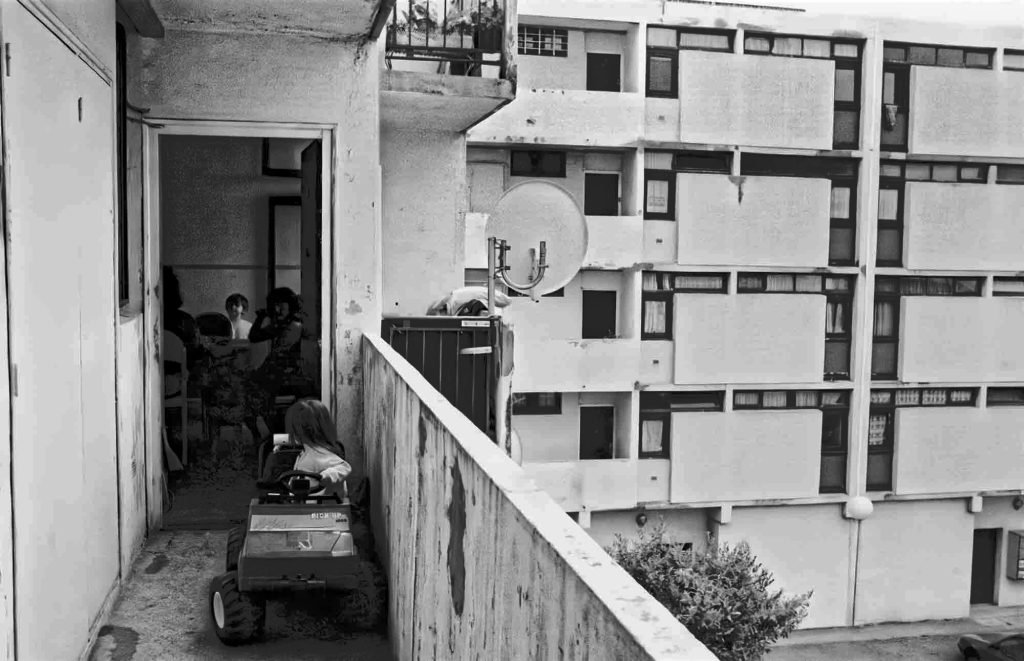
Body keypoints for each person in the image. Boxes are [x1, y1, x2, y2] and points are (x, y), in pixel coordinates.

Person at [266, 399, 350, 497]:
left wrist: (326, 476)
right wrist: (280, 441)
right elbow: (295, 439)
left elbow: (344, 467)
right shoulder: (310, 447)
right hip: (302, 501)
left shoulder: (320, 454)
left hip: (315, 506)